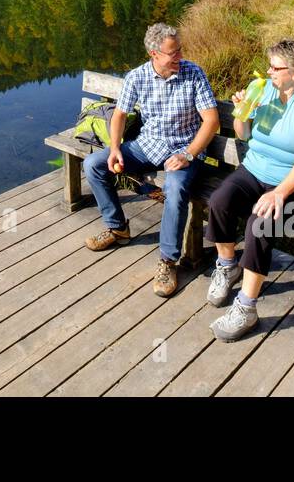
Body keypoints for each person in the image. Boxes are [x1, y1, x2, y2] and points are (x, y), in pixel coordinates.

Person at [205, 38, 294, 341]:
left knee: (260, 224)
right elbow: (245, 134)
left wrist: (280, 193)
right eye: (270, 66)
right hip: (253, 171)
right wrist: (242, 112)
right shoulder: (265, 92)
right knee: (220, 200)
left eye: (276, 67)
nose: (269, 71)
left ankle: (247, 307)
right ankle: (227, 266)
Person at [81, 22, 219, 298]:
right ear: (154, 55)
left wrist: (188, 153)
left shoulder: (193, 73)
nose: (180, 55)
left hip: (183, 151)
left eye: (180, 49)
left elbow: (211, 120)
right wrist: (116, 148)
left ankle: (168, 261)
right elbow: (119, 115)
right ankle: (118, 228)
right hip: (148, 146)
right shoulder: (137, 77)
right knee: (94, 164)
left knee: (175, 189)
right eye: (173, 52)